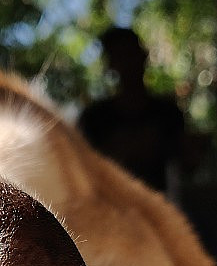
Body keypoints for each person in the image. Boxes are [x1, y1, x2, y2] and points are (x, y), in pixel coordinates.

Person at [78, 27, 185, 194]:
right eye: (121, 57)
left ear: (143, 56)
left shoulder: (168, 113)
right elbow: (85, 171)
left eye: (130, 54)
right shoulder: (95, 118)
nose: (128, 64)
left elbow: (184, 166)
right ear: (111, 65)